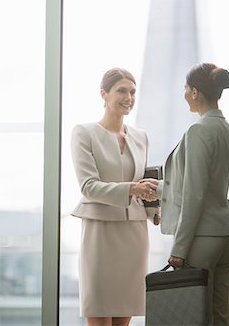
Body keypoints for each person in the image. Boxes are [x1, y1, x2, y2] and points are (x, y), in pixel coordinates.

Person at [71, 67, 159, 326]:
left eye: (132, 92)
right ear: (103, 93)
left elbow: (144, 183)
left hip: (134, 233)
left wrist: (155, 211)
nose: (129, 97)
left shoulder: (141, 137)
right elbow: (88, 186)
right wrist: (131, 188)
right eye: (121, 91)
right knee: (98, 312)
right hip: (100, 233)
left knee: (124, 317)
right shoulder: (84, 133)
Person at [157, 63, 229, 326]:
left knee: (194, 317)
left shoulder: (199, 130)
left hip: (202, 239)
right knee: (221, 314)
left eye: (185, 88)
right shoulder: (227, 130)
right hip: (226, 234)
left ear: (194, 92)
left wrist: (179, 248)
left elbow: (195, 193)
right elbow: (208, 184)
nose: (183, 93)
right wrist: (159, 187)